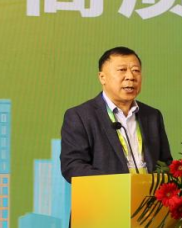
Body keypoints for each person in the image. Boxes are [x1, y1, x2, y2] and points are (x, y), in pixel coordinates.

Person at [60, 46, 173, 183]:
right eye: (122, 70)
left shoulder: (152, 115)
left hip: (149, 194)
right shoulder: (80, 116)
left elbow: (165, 163)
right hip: (107, 194)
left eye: (136, 70)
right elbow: (73, 166)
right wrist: (117, 184)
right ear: (102, 77)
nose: (130, 77)